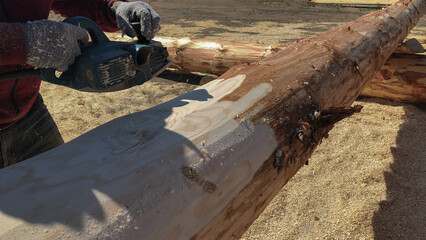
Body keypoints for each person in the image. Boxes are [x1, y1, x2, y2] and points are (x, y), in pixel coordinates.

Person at [0, 0, 161, 168]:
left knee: (62, 189)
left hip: (29, 114)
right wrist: (23, 42)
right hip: (24, 109)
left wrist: (114, 9)